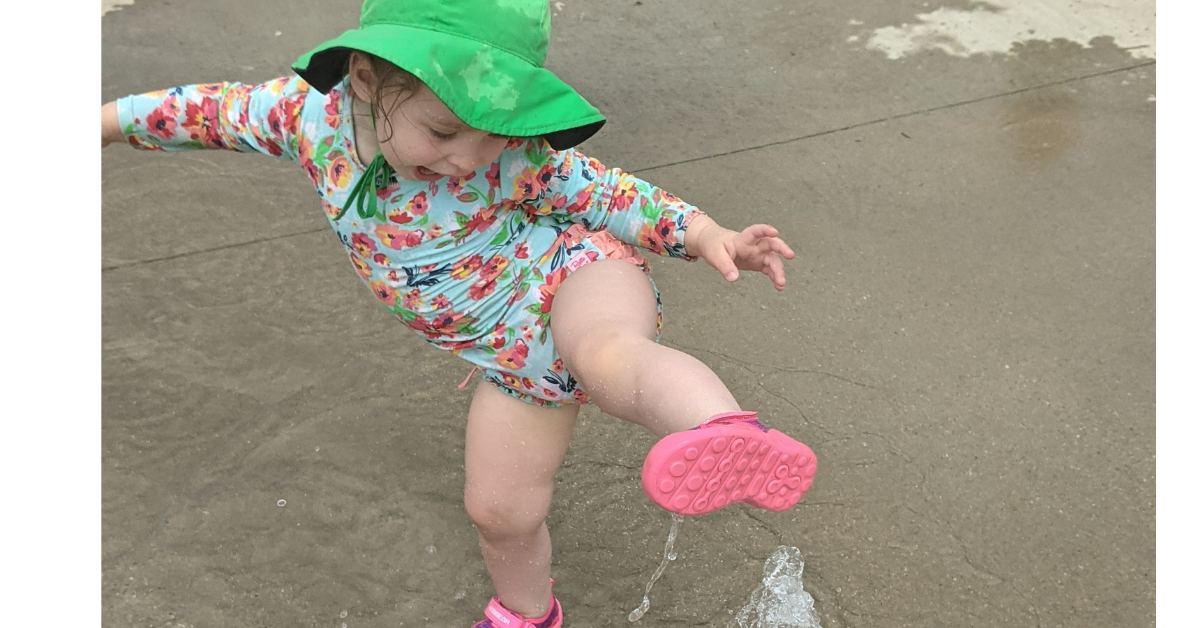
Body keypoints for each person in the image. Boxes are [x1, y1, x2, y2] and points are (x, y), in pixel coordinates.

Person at [100, 1, 818, 626]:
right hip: (506, 355)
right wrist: (101, 123)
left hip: (572, 275)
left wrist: (706, 236)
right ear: (364, 79)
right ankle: (526, 616)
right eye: (444, 132)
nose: (470, 159)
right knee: (500, 513)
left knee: (605, 355)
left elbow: (613, 197)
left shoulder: (515, 158)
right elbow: (206, 112)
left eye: (495, 133)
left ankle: (723, 432)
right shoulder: (303, 116)